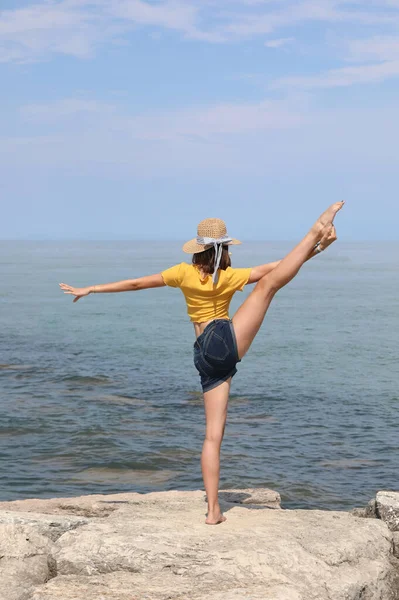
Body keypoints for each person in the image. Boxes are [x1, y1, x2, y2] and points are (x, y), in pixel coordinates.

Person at [59, 201, 344, 525]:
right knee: (268, 286)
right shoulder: (230, 275)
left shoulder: (182, 273)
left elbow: (136, 283)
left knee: (212, 435)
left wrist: (91, 288)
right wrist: (317, 247)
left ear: (197, 249)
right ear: (223, 248)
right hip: (222, 340)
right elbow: (277, 270)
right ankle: (314, 229)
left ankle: (213, 510)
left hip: (203, 354)